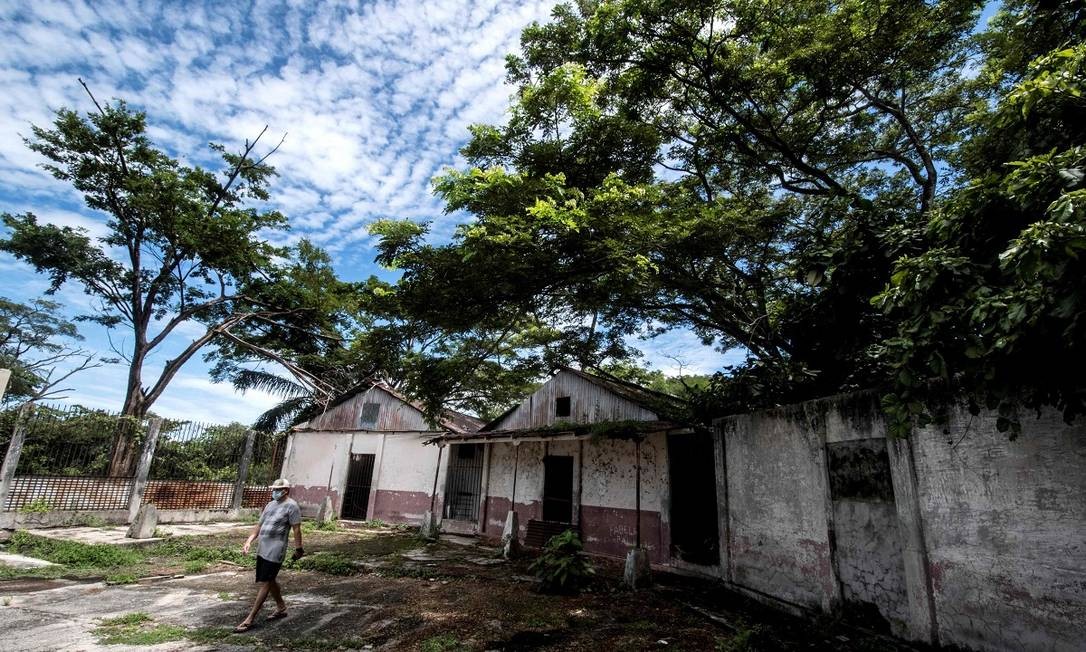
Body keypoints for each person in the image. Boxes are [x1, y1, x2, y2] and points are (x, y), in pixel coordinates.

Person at [235, 478, 303, 633]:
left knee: (266, 582)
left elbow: (296, 529)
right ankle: (281, 607)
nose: (275, 492)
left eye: (278, 490)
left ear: (285, 491)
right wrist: (249, 541)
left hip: (276, 549)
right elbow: (259, 525)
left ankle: (250, 618)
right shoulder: (270, 505)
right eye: (274, 489)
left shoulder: (292, 506)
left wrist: (299, 548)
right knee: (270, 579)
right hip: (263, 548)